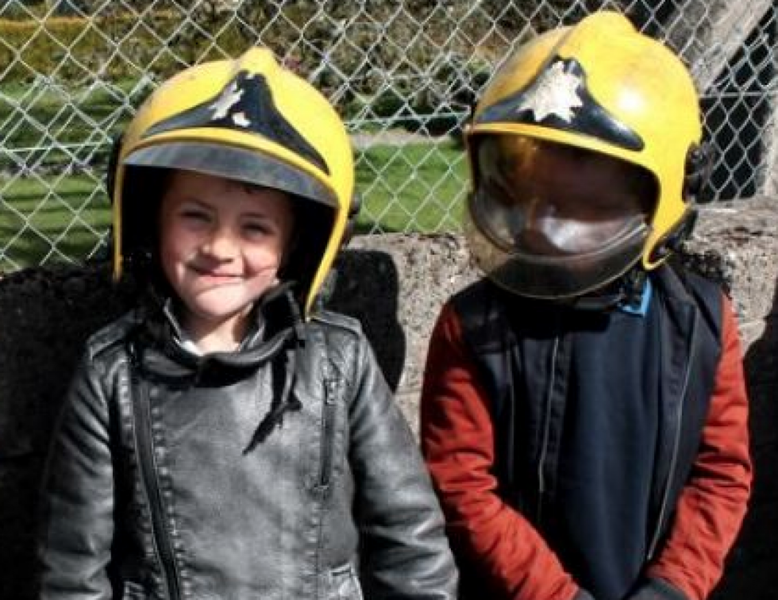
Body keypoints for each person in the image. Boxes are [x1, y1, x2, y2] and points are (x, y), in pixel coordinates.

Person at [36, 47, 458, 599]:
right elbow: (72, 570)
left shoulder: (339, 360)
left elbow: (411, 539)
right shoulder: (113, 373)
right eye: (195, 216)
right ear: (151, 218)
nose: (220, 247)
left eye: (255, 228)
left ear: (297, 245)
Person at [420, 11, 751, 600]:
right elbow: (460, 483)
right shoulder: (473, 325)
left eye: (586, 209)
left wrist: (674, 587)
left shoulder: (702, 322)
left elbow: (721, 472)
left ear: (662, 199)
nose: (549, 228)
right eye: (529, 198)